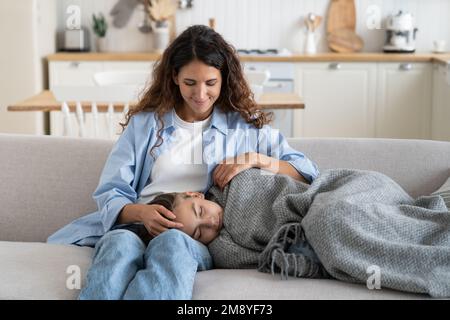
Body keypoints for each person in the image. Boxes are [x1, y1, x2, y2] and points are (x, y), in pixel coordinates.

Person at [46, 24, 319, 300]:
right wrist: (141, 213)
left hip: (191, 237)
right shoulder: (146, 125)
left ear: (223, 79)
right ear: (175, 77)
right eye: (190, 83)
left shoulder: (243, 129)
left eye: (210, 83)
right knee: (118, 246)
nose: (200, 95)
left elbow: (307, 172)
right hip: (137, 225)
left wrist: (256, 159)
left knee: (172, 244)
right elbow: (110, 191)